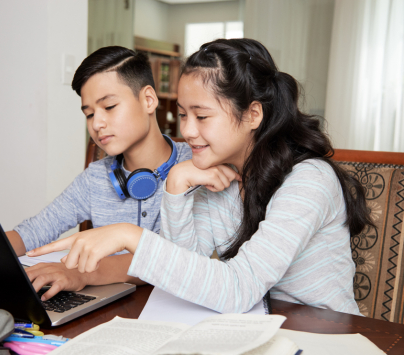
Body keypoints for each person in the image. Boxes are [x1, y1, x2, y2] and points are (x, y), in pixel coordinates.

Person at [30, 38, 372, 315]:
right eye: (181, 114)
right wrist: (175, 185)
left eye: (202, 116)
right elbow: (187, 273)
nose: (188, 131)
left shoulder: (310, 180)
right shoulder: (216, 178)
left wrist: (129, 235)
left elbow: (238, 290)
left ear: (253, 113)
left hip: (322, 338)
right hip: (256, 333)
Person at [7, 46, 192, 300]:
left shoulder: (195, 163)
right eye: (90, 114)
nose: (96, 124)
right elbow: (33, 231)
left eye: (110, 106)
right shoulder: (96, 177)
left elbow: (175, 256)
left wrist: (82, 274)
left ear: (148, 100)